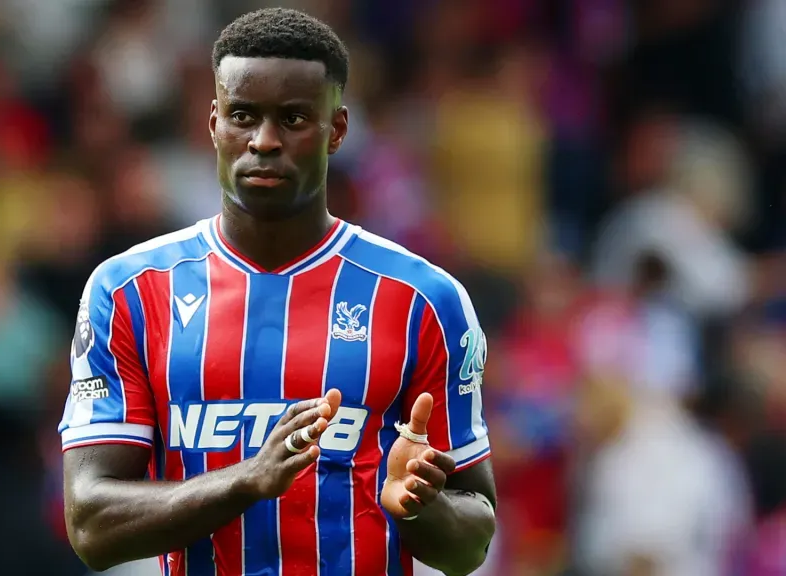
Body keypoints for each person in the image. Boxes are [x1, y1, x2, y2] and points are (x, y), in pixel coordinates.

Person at [59, 8, 496, 576]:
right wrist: (247, 480)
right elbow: (91, 525)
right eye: (243, 116)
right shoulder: (130, 292)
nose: (263, 141)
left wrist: (420, 508)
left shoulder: (424, 302)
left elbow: (472, 541)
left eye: (293, 119)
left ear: (336, 129)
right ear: (214, 121)